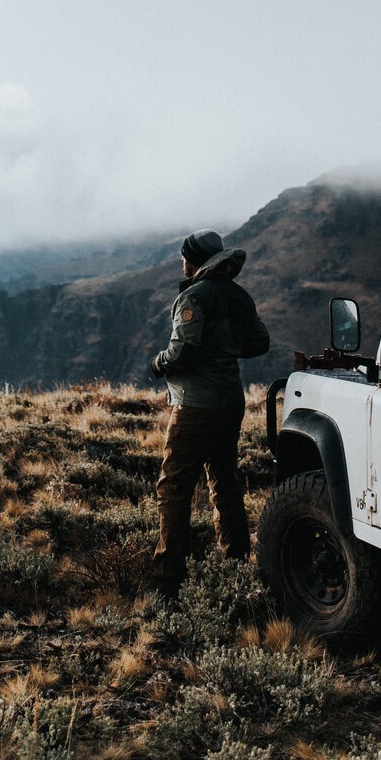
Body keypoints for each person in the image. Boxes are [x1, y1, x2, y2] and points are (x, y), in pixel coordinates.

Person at [150, 229, 269, 596]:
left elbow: (183, 351)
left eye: (183, 255)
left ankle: (169, 580)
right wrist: (225, 349)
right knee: (224, 481)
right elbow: (259, 342)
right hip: (230, 401)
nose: (180, 261)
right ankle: (235, 562)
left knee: (174, 486)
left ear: (194, 259)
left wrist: (159, 363)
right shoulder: (238, 295)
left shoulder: (194, 296)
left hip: (195, 405)